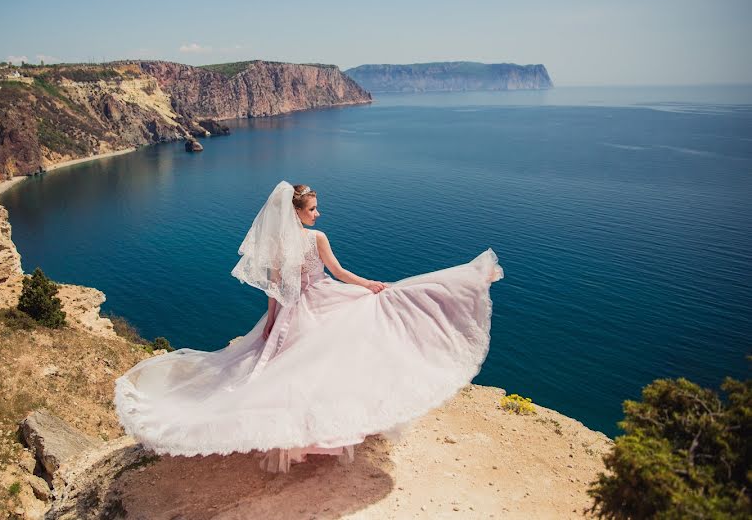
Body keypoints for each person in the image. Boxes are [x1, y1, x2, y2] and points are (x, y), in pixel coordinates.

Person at [114, 181, 503, 473]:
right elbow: (337, 271)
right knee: (327, 363)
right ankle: (321, 433)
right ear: (297, 211)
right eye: (313, 208)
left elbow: (275, 290)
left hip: (290, 311)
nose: (318, 214)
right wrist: (368, 285)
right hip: (320, 301)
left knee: (292, 372)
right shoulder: (316, 238)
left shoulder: (279, 244)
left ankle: (304, 434)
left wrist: (270, 324)